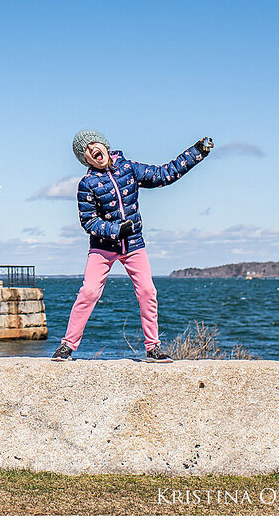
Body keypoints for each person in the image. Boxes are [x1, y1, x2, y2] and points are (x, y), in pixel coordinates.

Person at [51, 130, 213, 362]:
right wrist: (116, 231)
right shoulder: (87, 184)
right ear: (84, 159)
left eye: (94, 144)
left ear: (105, 145)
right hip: (103, 247)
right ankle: (67, 346)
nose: (92, 150)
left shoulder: (129, 169)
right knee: (88, 292)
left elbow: (164, 174)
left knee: (148, 291)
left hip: (134, 244)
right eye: (85, 150)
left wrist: (196, 152)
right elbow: (89, 222)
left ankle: (153, 348)